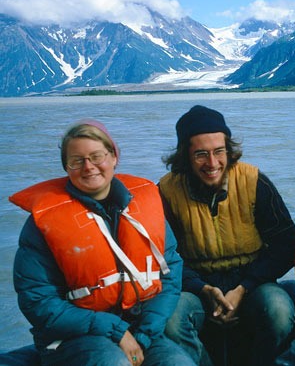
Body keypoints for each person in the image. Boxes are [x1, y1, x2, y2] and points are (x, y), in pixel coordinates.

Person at [10, 119, 195, 366]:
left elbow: (170, 274)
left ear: (114, 157)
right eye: (77, 161)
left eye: (97, 156)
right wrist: (114, 330)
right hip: (74, 337)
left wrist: (145, 332)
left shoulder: (146, 208)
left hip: (141, 329)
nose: (88, 167)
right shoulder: (40, 225)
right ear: (67, 167)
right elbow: (38, 301)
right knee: (112, 362)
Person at [159, 105, 295, 366]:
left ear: (228, 149)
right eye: (201, 154)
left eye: (219, 151)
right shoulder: (166, 191)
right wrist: (202, 289)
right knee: (171, 318)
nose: (212, 163)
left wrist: (244, 287)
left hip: (253, 281)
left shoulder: (254, 181)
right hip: (195, 285)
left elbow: (287, 244)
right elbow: (164, 258)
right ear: (185, 155)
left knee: (279, 310)